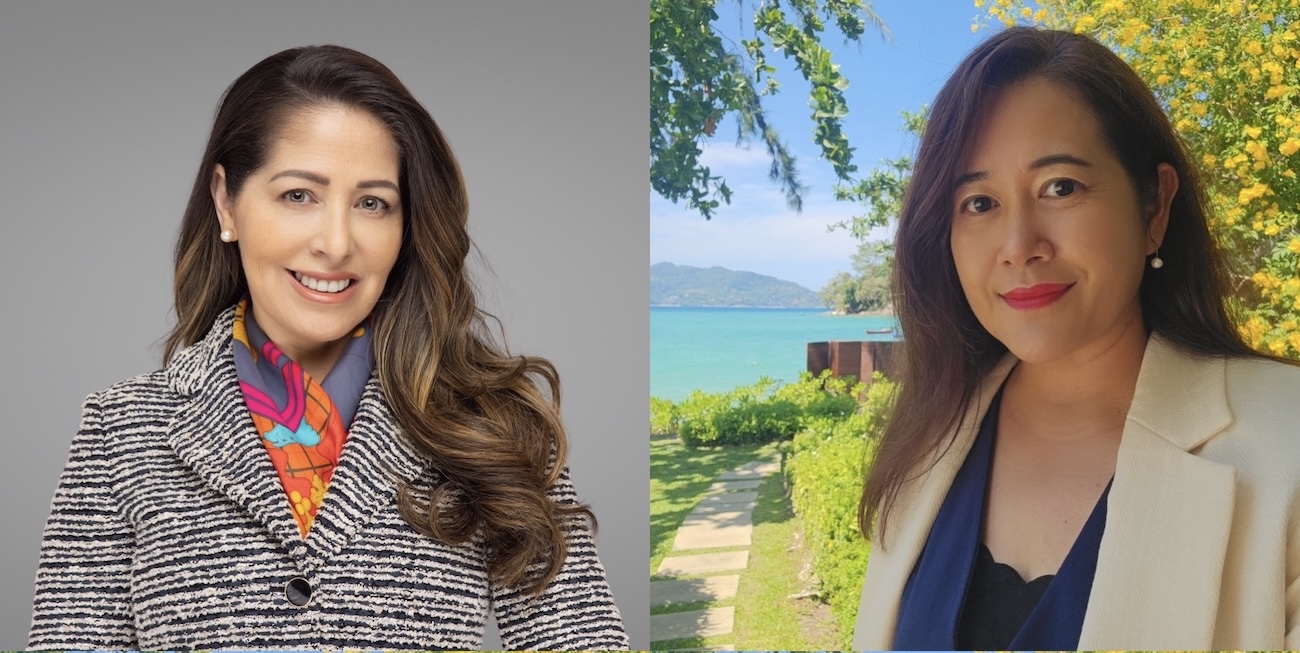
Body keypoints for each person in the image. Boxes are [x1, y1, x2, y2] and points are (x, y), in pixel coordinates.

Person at [27, 44, 629, 651]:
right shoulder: (120, 431)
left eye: (372, 203)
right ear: (226, 201)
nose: (336, 244)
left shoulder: (495, 427)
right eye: (299, 195)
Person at [852, 27, 1300, 650]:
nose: (1019, 247)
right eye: (979, 203)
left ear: (1154, 208)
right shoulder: (932, 433)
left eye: (1060, 187)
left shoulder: (1286, 441)